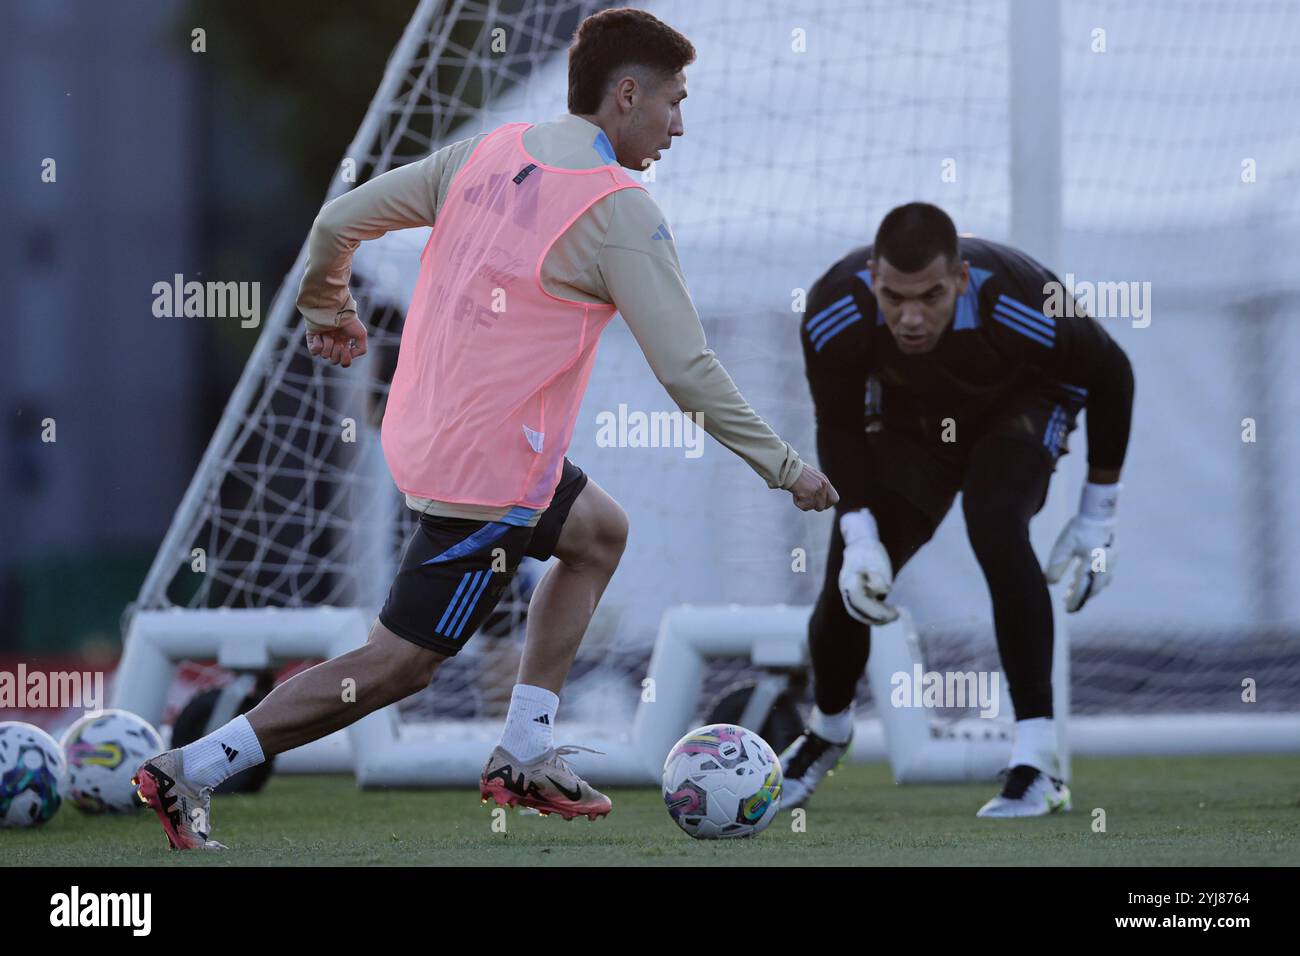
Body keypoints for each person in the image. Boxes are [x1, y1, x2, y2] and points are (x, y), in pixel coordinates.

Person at [134, 6, 837, 850]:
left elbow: (334, 223)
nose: (679, 123)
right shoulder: (621, 209)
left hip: (432, 437)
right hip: (488, 473)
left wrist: (330, 307)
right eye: (673, 102)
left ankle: (526, 752)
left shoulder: (489, 149)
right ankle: (193, 768)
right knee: (400, 665)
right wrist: (785, 465)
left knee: (599, 533)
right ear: (624, 95)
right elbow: (687, 372)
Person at [781, 202, 1134, 817]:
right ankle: (828, 730)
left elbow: (1111, 374)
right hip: (915, 427)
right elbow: (837, 426)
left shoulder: (1022, 298)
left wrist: (1097, 516)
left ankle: (1038, 761)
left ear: (962, 279)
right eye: (894, 298)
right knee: (852, 571)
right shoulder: (835, 308)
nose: (911, 318)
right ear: (872, 277)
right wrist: (860, 532)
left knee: (995, 522)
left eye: (931, 297)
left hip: (1020, 408)